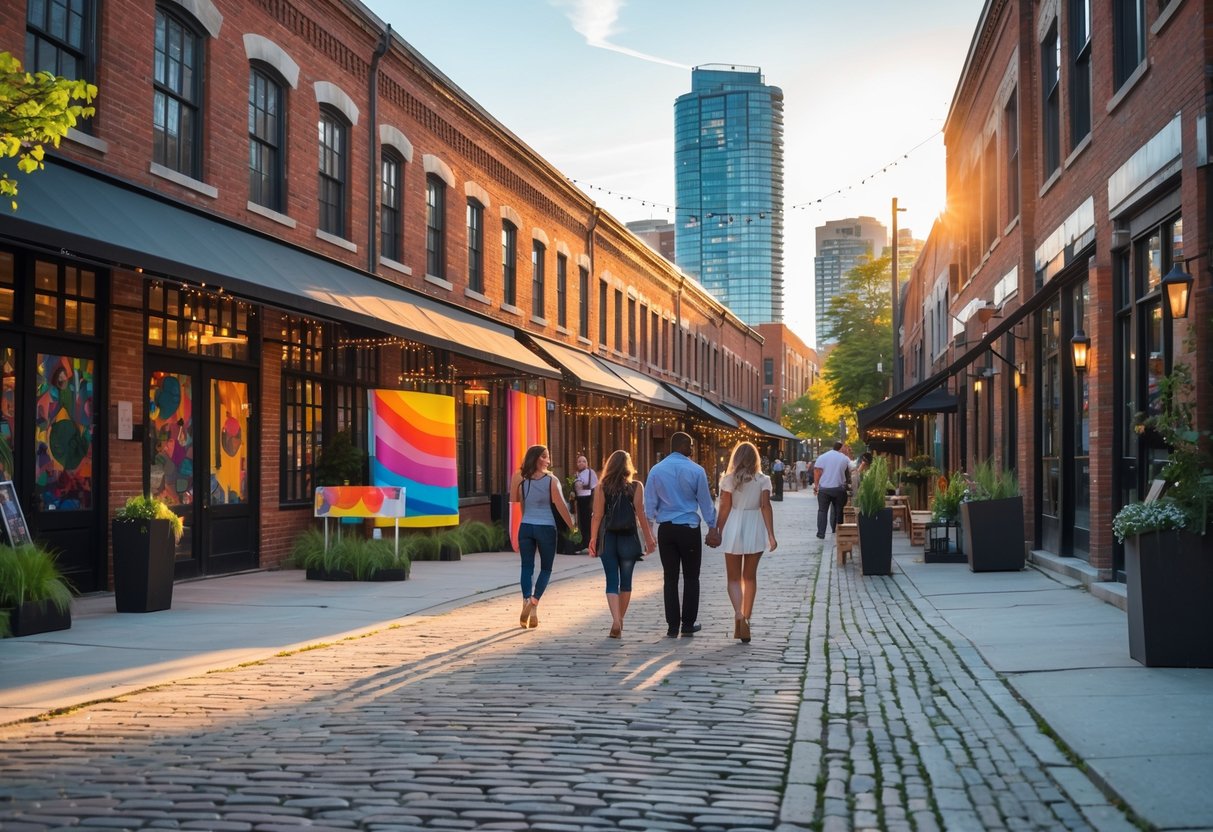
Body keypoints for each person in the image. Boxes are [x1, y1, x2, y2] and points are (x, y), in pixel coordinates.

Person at [644, 431, 718, 637]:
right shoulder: (696, 470)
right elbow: (705, 502)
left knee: (670, 577)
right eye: (691, 445)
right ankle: (687, 624)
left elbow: (649, 505)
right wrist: (713, 526)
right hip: (688, 529)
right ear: (682, 446)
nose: (693, 449)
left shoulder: (656, 470)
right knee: (692, 577)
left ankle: (672, 626)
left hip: (666, 529)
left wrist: (649, 533)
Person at [588, 450, 656, 638]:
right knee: (626, 582)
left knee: (611, 580)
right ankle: (619, 620)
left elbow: (597, 516)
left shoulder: (601, 487)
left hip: (608, 537)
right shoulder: (636, 486)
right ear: (628, 466)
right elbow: (641, 514)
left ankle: (616, 620)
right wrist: (649, 539)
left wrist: (593, 538)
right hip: (628, 538)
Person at [714, 441, 777, 643]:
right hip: (754, 525)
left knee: (733, 578)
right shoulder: (763, 480)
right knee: (749, 577)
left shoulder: (729, 479)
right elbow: (766, 506)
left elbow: (724, 507)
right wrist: (771, 535)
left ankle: (738, 615)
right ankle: (747, 619)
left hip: (734, 524)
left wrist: (718, 530)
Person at [509, 444, 577, 629]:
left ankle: (526, 603)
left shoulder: (519, 476)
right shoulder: (551, 480)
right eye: (546, 456)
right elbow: (561, 505)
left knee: (527, 567)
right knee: (546, 569)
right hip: (546, 527)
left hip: (526, 526)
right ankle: (534, 601)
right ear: (540, 458)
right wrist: (573, 527)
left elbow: (515, 500)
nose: (549, 459)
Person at [813, 441, 852, 539]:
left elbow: (817, 472)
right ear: (840, 448)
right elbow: (853, 468)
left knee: (822, 511)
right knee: (839, 510)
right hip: (839, 489)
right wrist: (848, 454)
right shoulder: (844, 458)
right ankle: (837, 530)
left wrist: (816, 486)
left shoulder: (822, 457)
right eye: (844, 447)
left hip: (824, 489)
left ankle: (821, 533)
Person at [572, 454, 598, 554]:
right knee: (581, 523)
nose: (581, 463)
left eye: (584, 461)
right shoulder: (576, 474)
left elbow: (595, 488)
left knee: (588, 522)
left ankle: (591, 543)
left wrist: (594, 502)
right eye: (579, 461)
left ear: (587, 463)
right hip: (579, 500)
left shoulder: (591, 473)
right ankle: (582, 543)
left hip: (588, 500)